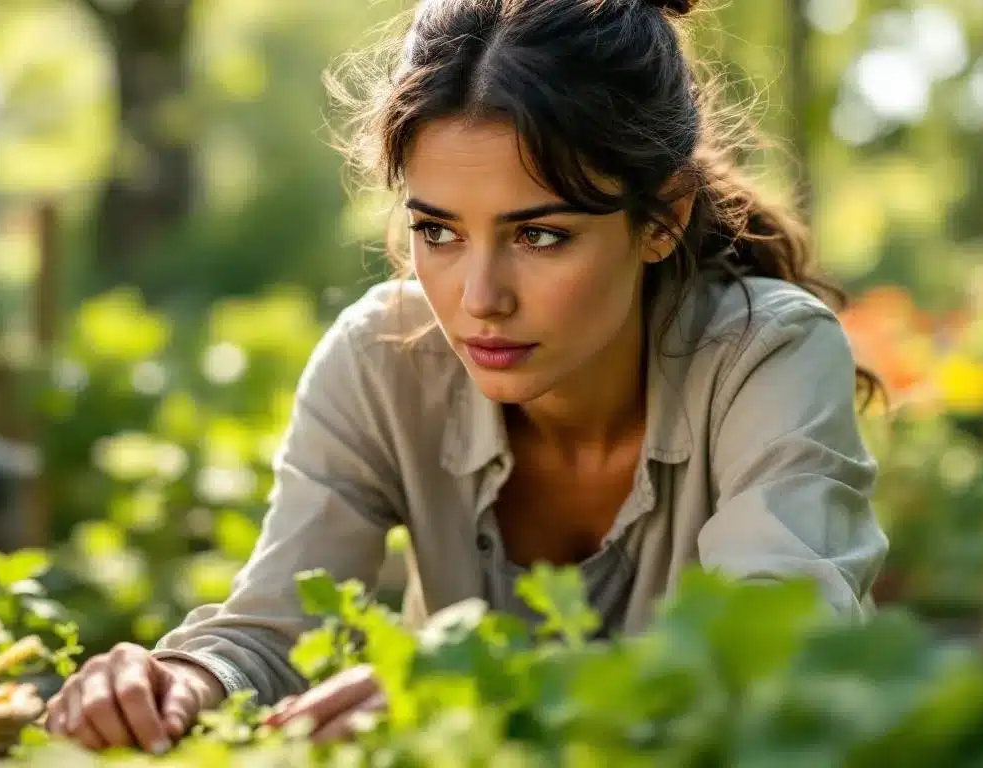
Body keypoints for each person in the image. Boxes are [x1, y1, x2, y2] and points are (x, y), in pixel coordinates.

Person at [44, 0, 889, 753]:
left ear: (662, 218)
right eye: (438, 233)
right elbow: (270, 631)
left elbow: (777, 649)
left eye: (540, 236)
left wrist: (495, 690)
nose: (479, 299)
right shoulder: (381, 358)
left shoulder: (767, 353)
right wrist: (184, 681)